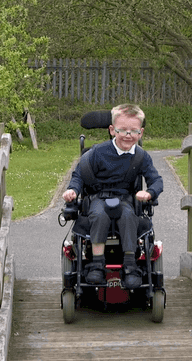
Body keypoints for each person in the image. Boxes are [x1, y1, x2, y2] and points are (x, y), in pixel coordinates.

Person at [62, 103, 163, 289]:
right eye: (122, 130)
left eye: (133, 131)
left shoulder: (141, 157)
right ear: (112, 130)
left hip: (125, 199)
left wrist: (149, 192)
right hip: (98, 197)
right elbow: (79, 176)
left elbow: (157, 181)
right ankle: (97, 264)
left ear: (140, 133)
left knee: (129, 216)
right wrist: (73, 191)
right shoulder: (97, 153)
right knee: (99, 215)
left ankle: (131, 265)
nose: (128, 135)